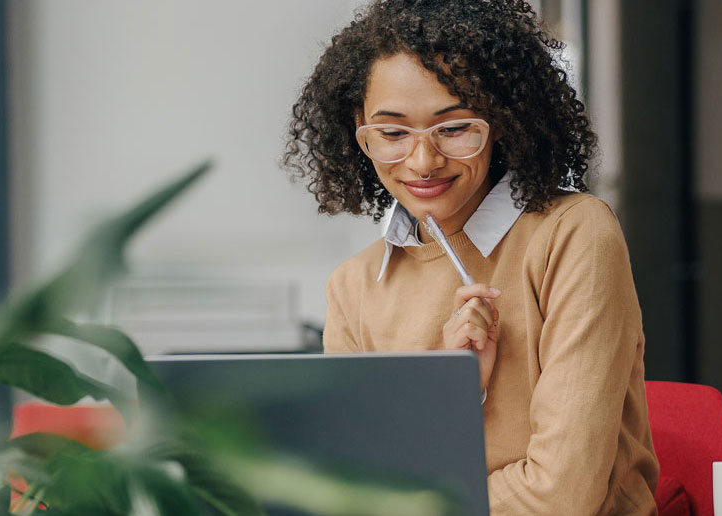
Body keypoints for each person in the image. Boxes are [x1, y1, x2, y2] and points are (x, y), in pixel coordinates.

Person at [282, 1, 658, 514]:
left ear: (500, 120)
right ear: (359, 128)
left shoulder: (572, 235)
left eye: (455, 128)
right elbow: (354, 490)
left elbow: (563, 496)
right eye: (392, 133)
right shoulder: (354, 286)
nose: (422, 161)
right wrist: (451, 393)